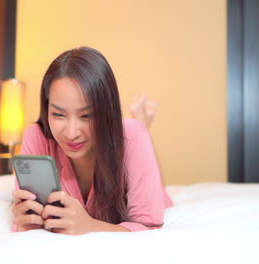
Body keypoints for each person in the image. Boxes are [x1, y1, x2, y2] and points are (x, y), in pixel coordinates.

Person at [12, 47, 172, 235]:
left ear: (107, 111)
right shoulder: (37, 135)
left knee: (136, 133)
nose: (71, 134)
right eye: (58, 114)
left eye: (86, 115)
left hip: (130, 136)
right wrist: (24, 223)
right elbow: (25, 223)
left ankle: (143, 123)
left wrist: (88, 226)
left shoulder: (132, 135)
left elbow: (150, 227)